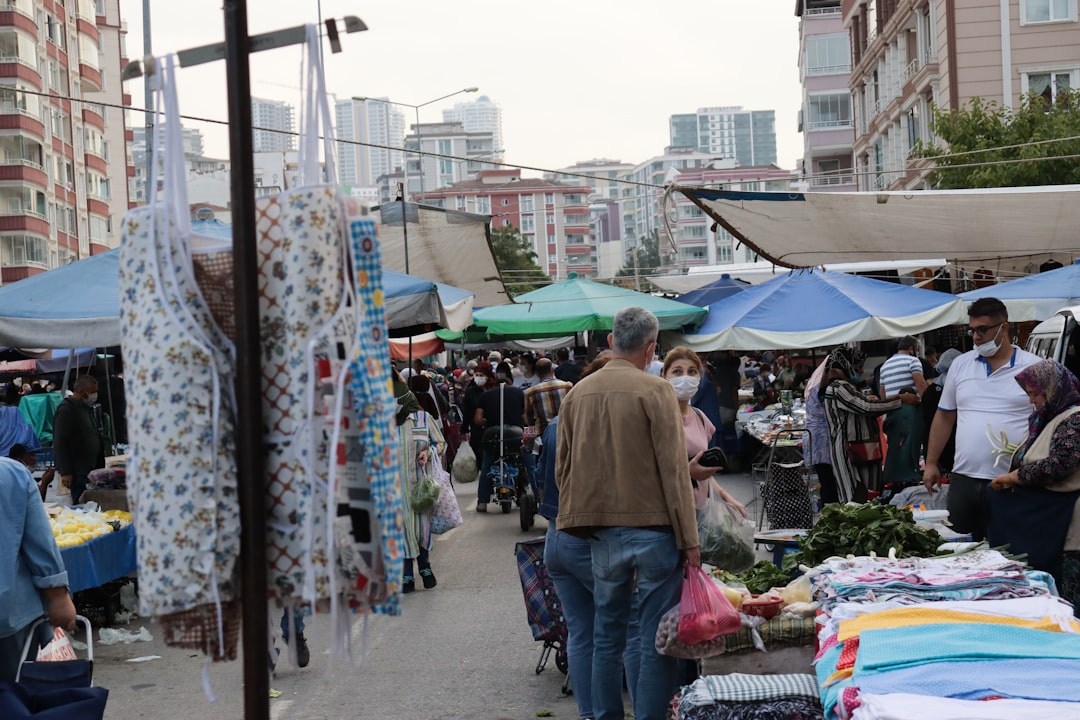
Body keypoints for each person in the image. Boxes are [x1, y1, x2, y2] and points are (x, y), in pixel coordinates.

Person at [556, 306, 699, 720]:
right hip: (654, 533)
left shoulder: (576, 394)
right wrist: (689, 541)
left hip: (600, 534)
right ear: (652, 347)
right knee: (655, 641)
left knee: (607, 636)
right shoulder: (656, 391)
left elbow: (563, 470)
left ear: (610, 342)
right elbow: (674, 473)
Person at [923, 298, 1040, 540]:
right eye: (972, 330)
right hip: (964, 479)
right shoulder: (960, 366)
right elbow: (944, 416)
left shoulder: (1034, 368)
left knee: (1013, 551)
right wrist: (932, 462)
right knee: (959, 550)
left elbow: (1051, 421)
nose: (976, 337)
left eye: (982, 330)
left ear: (1004, 328)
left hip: (1013, 480)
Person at [538, 354, 612, 720]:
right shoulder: (593, 422)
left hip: (555, 539)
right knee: (613, 632)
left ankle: (588, 713)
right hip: (586, 539)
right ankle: (605, 711)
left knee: (581, 634)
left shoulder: (554, 423)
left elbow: (542, 481)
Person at [989, 360, 1080, 592]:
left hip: (1066, 516)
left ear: (1052, 390)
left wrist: (1015, 477)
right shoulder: (1048, 417)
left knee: (1068, 584)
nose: (1032, 401)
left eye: (1034, 394)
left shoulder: (1075, 418)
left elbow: (1061, 464)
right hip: (1049, 515)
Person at [0, 456, 77, 682]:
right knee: (16, 697)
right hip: (11, 618)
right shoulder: (11, 474)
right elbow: (39, 542)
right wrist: (58, 596)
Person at [821, 348, 919, 503]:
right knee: (855, 501)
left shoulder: (847, 386)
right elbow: (866, 407)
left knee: (867, 498)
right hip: (849, 453)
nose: (860, 371)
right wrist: (900, 399)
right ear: (845, 365)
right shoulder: (838, 387)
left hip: (861, 451)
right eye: (858, 366)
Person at [392, 369, 443, 593]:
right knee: (401, 531)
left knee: (422, 531)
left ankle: (424, 566)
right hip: (392, 489)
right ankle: (406, 576)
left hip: (420, 487)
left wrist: (429, 453)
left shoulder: (422, 418)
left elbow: (440, 443)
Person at [474, 361, 526, 512]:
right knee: (525, 462)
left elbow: (477, 419)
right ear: (510, 382)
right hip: (515, 433)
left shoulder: (485, 395)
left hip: (492, 433)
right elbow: (526, 415)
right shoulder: (519, 393)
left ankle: (482, 502)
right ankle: (527, 493)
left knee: (487, 465)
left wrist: (488, 422)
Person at [878, 336, 929, 485]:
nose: (917, 353)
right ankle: (910, 479)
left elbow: (883, 393)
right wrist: (928, 403)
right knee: (910, 448)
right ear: (912, 349)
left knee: (896, 449)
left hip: (893, 413)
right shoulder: (913, 361)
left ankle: (896, 481)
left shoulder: (885, 365)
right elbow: (919, 382)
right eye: (917, 350)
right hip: (911, 414)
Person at [53, 375, 103, 505]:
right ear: (82, 392)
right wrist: (66, 471)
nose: (95, 395)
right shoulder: (66, 409)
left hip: (90, 469)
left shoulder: (85, 408)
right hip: (77, 471)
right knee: (81, 504)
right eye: (93, 392)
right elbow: (60, 441)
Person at [803, 358, 838, 504]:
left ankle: (828, 509)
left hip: (814, 437)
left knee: (826, 478)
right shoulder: (823, 389)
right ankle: (829, 510)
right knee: (829, 479)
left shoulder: (813, 385)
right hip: (822, 439)